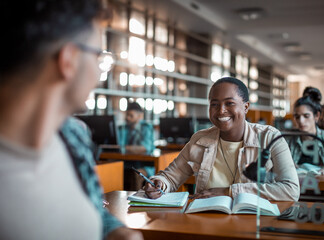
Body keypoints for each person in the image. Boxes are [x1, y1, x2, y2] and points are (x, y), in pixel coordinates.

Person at [0, 1, 142, 240]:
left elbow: (92, 207)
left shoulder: (73, 136)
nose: (99, 73)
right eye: (99, 57)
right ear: (70, 59)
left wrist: (117, 232)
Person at [145, 77, 300, 201]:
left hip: (252, 220)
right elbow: (171, 177)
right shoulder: (200, 139)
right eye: (214, 104)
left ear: (246, 107)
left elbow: (291, 189)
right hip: (206, 218)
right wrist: (160, 184)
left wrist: (230, 192)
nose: (221, 111)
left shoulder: (270, 137)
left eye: (229, 103)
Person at [118, 102, 155, 190]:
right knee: (112, 170)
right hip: (127, 164)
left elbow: (145, 148)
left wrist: (123, 148)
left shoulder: (146, 128)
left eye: (131, 115)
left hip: (145, 165)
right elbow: (117, 144)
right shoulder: (123, 128)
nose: (127, 118)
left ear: (139, 116)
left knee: (136, 174)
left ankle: (135, 201)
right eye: (126, 115)